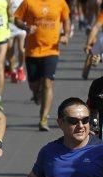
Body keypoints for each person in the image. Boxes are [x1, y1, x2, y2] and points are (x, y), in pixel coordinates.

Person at [14, 0, 70, 131]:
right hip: (32, 51)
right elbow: (16, 19)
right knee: (34, 84)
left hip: (52, 50)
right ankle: (36, 93)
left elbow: (66, 20)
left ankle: (43, 119)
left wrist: (66, 35)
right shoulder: (28, 2)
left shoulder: (60, 3)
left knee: (47, 83)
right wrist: (26, 27)